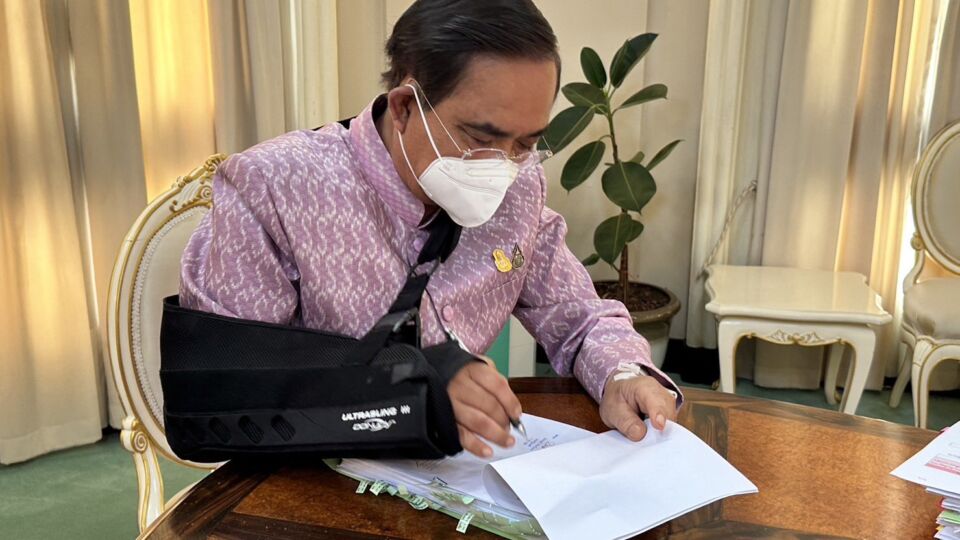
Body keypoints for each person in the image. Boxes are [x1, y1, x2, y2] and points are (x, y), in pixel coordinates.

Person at [180, 0, 681, 459]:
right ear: (403, 107)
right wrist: (408, 384)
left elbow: (579, 315)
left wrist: (622, 372)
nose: (502, 166)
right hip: (313, 476)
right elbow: (224, 387)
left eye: (526, 142)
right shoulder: (276, 186)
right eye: (480, 136)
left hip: (463, 471)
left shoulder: (521, 186)